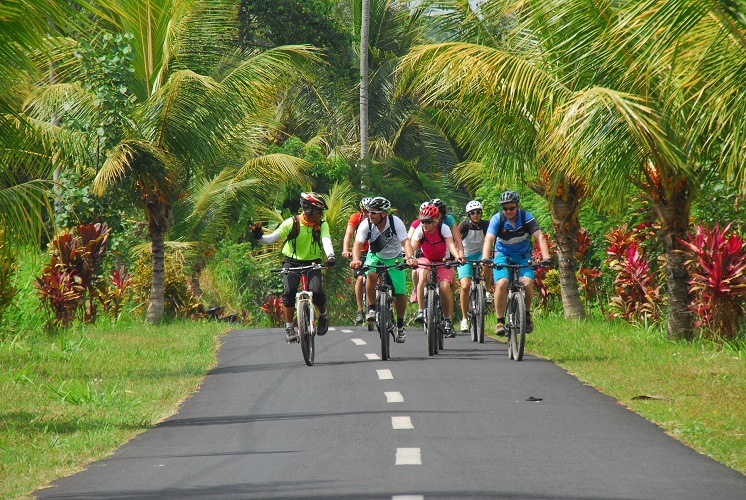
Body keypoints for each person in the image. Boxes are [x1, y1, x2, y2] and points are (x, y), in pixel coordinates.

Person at [251, 192, 336, 343]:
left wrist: (330, 256)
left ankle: (323, 316)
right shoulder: (292, 223)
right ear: (309, 210)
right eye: (319, 212)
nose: (321, 215)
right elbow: (271, 239)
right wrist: (259, 237)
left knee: (316, 291)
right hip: (291, 262)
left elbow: (326, 240)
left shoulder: (322, 225)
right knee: (289, 292)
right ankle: (290, 327)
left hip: (313, 262)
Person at [481, 190, 551, 335]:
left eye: (511, 208)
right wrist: (485, 258)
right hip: (502, 255)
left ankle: (526, 314)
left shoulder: (526, 217)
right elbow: (489, 239)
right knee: (502, 283)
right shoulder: (497, 219)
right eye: (505, 208)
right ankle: (500, 321)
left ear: (517, 206)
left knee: (527, 283)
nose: (508, 211)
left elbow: (540, 237)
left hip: (522, 256)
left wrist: (546, 258)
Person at [351, 196, 413, 343]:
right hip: (375, 255)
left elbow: (406, 241)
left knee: (400, 292)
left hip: (395, 257)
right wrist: (355, 259)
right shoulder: (366, 224)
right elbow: (358, 244)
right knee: (371, 275)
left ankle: (400, 325)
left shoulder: (395, 222)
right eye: (369, 212)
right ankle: (371, 308)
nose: (370, 215)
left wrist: (410, 257)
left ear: (383, 214)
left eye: (373, 213)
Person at [408, 204, 465, 338]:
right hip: (426, 259)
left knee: (445, 287)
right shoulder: (420, 230)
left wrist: (458, 257)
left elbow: (451, 245)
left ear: (435, 221)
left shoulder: (443, 228)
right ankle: (421, 310)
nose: (424, 224)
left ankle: (447, 320)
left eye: (427, 222)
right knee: (422, 274)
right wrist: (410, 258)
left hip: (443, 260)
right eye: (422, 221)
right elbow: (412, 245)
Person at [457, 200, 494, 332]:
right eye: (473, 213)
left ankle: (487, 290)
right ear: (469, 214)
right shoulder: (464, 226)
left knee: (487, 263)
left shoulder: (486, 225)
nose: (476, 215)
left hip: (480, 254)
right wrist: (456, 255)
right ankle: (464, 319)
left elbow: (493, 238)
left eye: (478, 212)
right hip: (465, 257)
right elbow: (455, 239)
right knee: (465, 286)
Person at [342, 196, 372, 324]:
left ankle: (375, 305)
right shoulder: (356, 218)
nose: (369, 215)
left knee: (376, 276)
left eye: (371, 211)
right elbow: (348, 235)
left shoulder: (378, 219)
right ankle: (360, 310)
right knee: (360, 279)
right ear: (361, 210)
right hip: (360, 252)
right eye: (366, 212)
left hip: (373, 252)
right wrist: (345, 250)